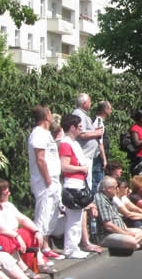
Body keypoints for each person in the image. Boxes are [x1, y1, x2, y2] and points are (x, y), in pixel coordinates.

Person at [27, 105, 64, 261]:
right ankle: (37, 252)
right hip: (44, 181)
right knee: (42, 215)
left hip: (52, 179)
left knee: (51, 215)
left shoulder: (45, 134)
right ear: (46, 116)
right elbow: (40, 159)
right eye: (49, 113)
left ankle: (46, 247)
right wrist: (48, 180)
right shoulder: (38, 134)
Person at [59, 114, 99, 258]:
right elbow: (64, 166)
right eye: (79, 127)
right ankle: (70, 249)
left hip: (79, 183)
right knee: (73, 219)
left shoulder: (73, 143)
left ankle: (73, 247)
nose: (81, 130)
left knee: (76, 218)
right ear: (72, 127)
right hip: (72, 184)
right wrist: (81, 169)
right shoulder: (66, 143)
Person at [72, 93, 103, 189]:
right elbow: (81, 134)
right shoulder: (78, 114)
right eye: (89, 101)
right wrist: (96, 134)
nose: (91, 103)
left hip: (88, 155)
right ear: (84, 103)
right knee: (85, 182)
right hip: (84, 154)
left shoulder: (84, 115)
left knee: (88, 181)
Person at [92, 100, 112, 192]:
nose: (111, 111)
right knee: (97, 182)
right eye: (110, 108)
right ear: (105, 109)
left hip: (98, 158)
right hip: (97, 158)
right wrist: (104, 160)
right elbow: (100, 143)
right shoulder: (98, 122)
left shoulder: (100, 122)